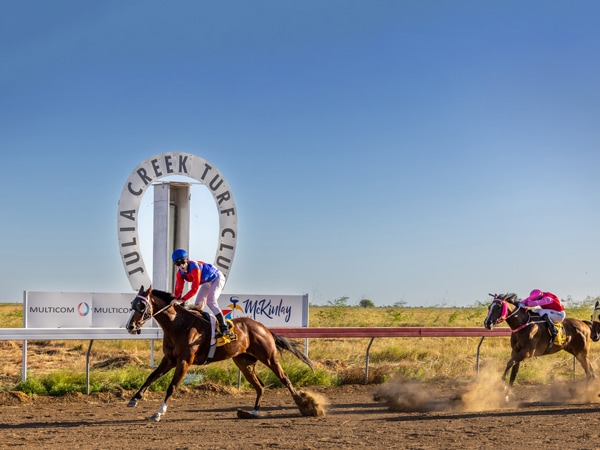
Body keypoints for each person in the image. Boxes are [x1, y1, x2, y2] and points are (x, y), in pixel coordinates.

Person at [171, 248, 234, 338]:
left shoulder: (194, 268)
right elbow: (178, 289)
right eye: (178, 263)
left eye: (182, 261)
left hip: (217, 278)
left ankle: (224, 328)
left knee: (210, 302)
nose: (181, 265)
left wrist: (181, 300)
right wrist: (176, 299)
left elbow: (194, 289)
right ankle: (206, 327)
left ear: (187, 260)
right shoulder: (180, 274)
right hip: (207, 282)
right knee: (198, 304)